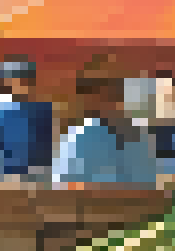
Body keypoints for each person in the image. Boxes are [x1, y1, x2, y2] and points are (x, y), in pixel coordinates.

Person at [54, 60, 160, 188]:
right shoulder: (76, 138)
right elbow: (65, 186)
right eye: (96, 92)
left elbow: (147, 183)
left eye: (110, 90)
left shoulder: (138, 135)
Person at [0, 58, 54, 181]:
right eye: (13, 80)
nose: (19, 84)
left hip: (34, 175)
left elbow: (45, 150)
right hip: (1, 175)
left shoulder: (42, 110)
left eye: (23, 80)